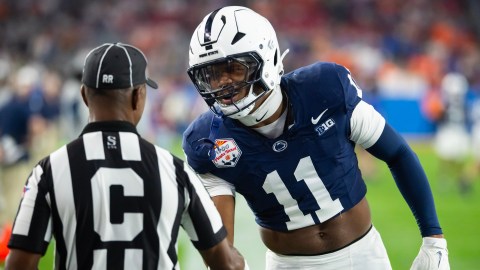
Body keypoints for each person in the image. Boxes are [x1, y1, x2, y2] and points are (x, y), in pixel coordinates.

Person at [182, 6, 449, 270]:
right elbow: (221, 247)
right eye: (213, 75)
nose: (224, 85)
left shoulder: (324, 89)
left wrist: (433, 238)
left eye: (234, 69)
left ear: (267, 57)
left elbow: (398, 153)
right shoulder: (208, 141)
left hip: (362, 256)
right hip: (287, 265)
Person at [5, 42, 247, 270]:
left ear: (84, 95)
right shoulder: (175, 171)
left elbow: (18, 264)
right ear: (138, 96)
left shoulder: (49, 170)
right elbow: (224, 262)